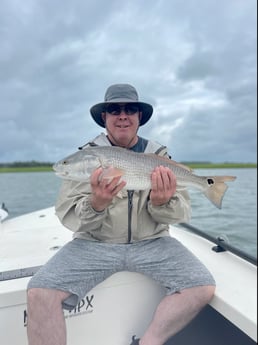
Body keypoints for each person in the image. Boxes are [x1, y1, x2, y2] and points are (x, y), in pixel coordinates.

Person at [27, 83, 216, 345]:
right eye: (114, 110)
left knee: (202, 286)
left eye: (130, 110)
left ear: (140, 118)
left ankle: (148, 341)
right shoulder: (89, 156)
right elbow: (68, 214)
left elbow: (180, 213)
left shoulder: (160, 157)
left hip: (153, 241)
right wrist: (97, 205)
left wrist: (161, 203)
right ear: (104, 118)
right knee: (39, 292)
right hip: (94, 243)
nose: (123, 115)